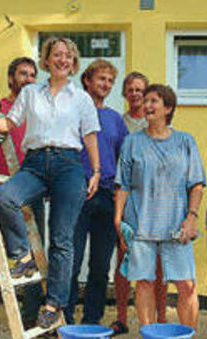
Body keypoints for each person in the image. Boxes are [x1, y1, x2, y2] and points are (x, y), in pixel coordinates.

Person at [0, 36, 101, 329]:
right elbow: (8, 123)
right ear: (46, 61)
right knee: (4, 197)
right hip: (34, 162)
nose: (62, 59)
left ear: (73, 63)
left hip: (69, 165)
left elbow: (89, 136)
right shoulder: (31, 92)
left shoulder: (81, 98)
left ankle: (53, 302)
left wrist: (95, 171)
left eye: (68, 56)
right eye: (56, 54)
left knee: (61, 239)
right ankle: (22, 255)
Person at [114, 84, 205, 339]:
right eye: (145, 101)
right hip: (141, 225)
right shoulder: (132, 142)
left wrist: (191, 217)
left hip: (177, 226)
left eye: (155, 101)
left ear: (168, 108)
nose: (147, 105)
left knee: (187, 285)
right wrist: (118, 220)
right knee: (144, 283)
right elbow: (123, 184)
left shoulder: (185, 141)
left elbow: (197, 184)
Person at [0, 57, 44, 339]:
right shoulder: (0, 109)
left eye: (32, 75)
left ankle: (30, 316)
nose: (28, 79)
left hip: (32, 193)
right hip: (0, 191)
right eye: (22, 74)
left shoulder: (37, 112)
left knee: (35, 255)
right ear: (10, 77)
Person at [64, 59, 128, 325]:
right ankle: (62, 322)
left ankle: (92, 322)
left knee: (100, 267)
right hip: (77, 194)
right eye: (101, 78)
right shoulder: (71, 112)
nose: (106, 84)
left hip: (106, 198)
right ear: (87, 81)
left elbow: (122, 159)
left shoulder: (115, 119)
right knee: (71, 262)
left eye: (110, 81)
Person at [110, 71, 168, 336]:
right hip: (128, 202)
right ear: (124, 94)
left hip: (156, 206)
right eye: (130, 89)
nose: (135, 94)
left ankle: (162, 316)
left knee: (158, 264)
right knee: (124, 260)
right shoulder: (118, 124)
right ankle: (121, 316)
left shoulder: (157, 125)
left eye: (140, 90)